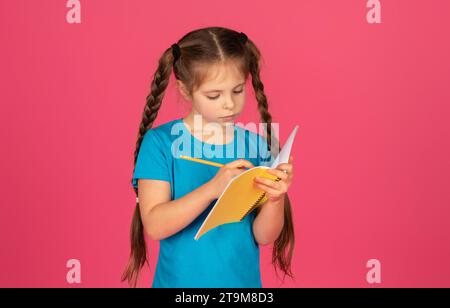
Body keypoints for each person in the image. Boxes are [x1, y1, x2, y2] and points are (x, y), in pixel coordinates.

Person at [122, 27, 295, 288]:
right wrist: (212, 189)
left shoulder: (256, 145)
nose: (229, 104)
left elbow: (263, 235)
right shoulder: (161, 143)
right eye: (214, 95)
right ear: (184, 90)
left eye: (237, 90)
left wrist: (275, 198)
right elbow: (155, 225)